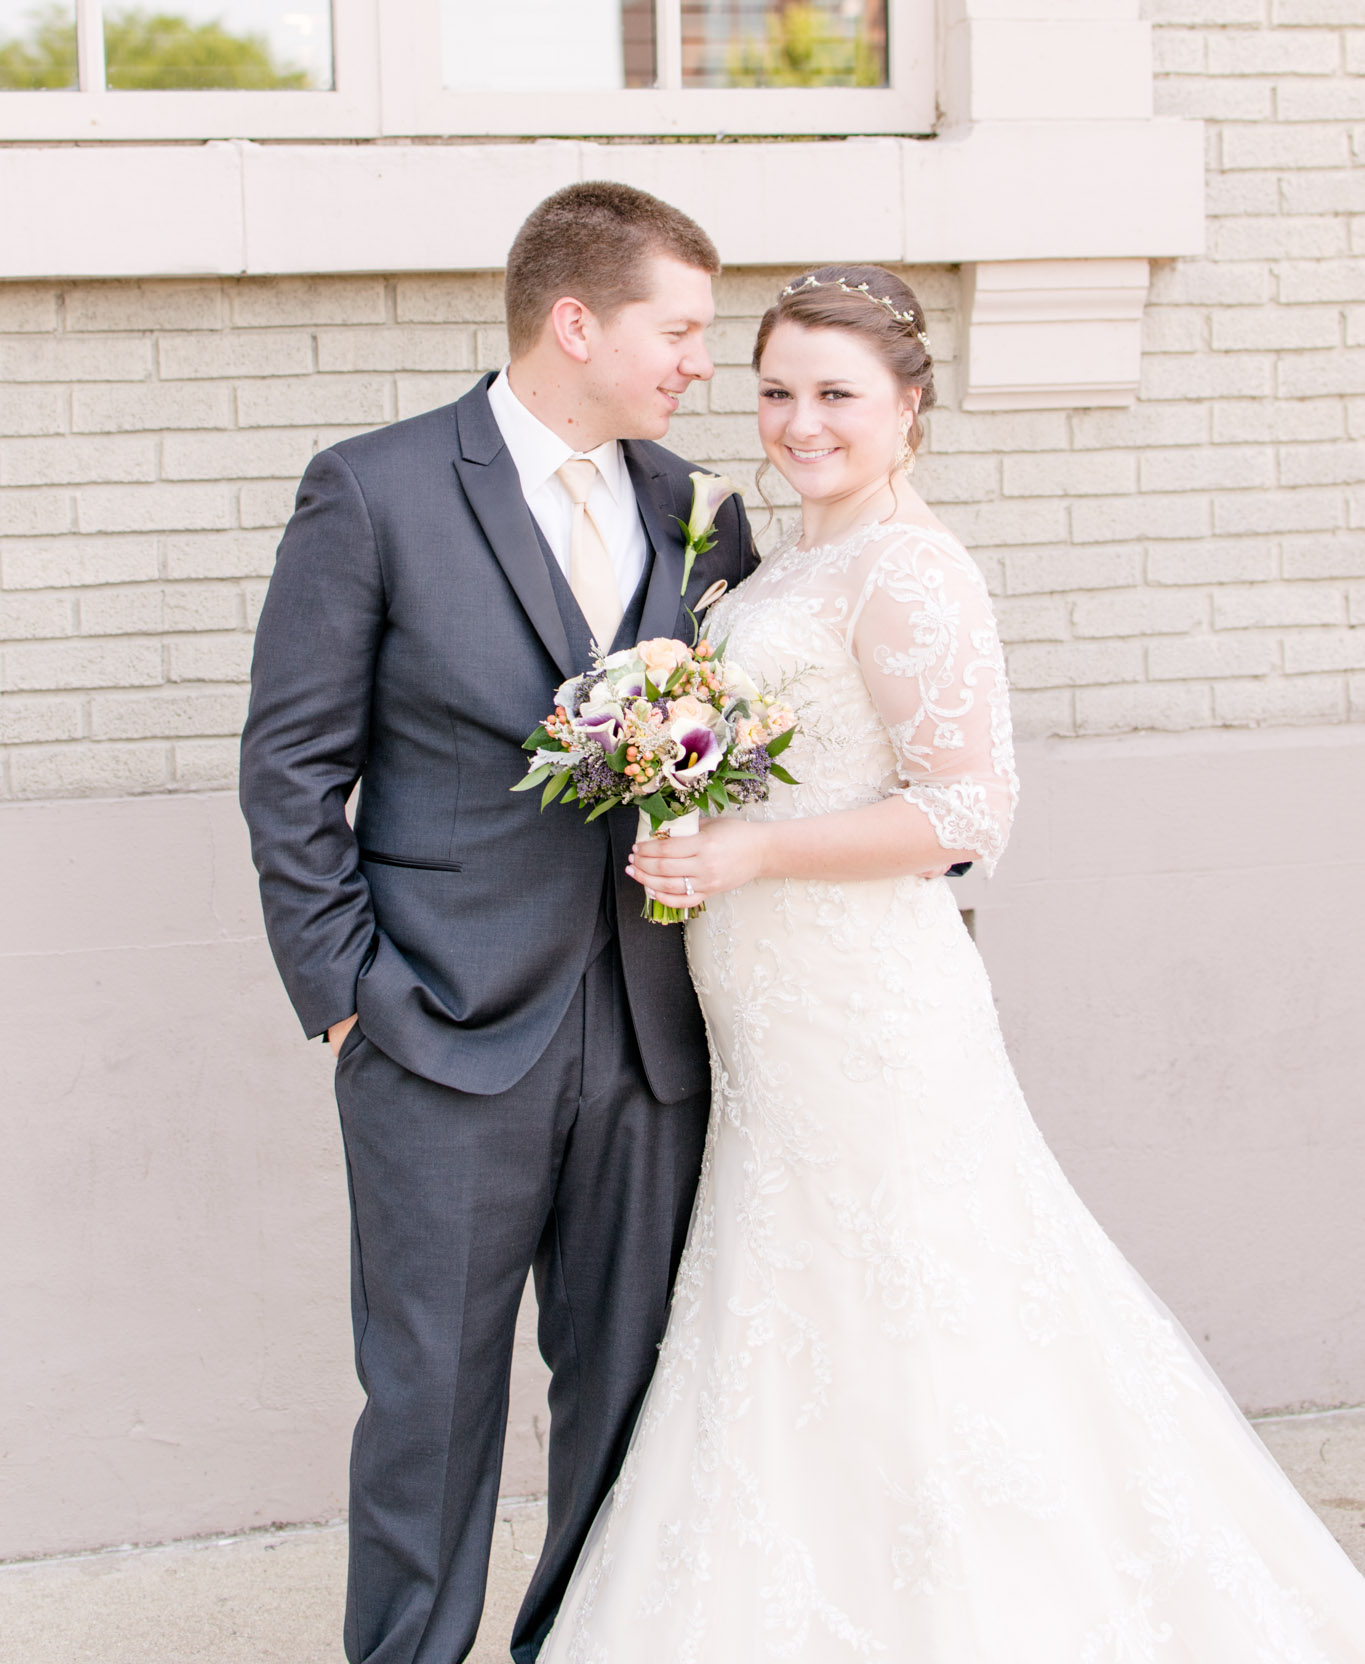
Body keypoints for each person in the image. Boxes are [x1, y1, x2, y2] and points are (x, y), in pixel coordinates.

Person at [539, 265, 1365, 1662]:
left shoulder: (909, 566)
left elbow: (968, 813)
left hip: (866, 1007)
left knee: (925, 1302)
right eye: (780, 389)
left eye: (838, 395)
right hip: (767, 1019)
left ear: (909, 409)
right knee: (794, 1301)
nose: (803, 422)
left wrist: (744, 857)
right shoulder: (776, 567)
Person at [238, 182, 759, 1664]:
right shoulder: (377, 489)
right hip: (441, 1033)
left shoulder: (691, 504)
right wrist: (348, 992)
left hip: (654, 1037)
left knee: (626, 1401)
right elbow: (290, 769)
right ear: (575, 320)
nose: (697, 366)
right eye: (680, 329)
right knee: (429, 1407)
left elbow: (740, 729)